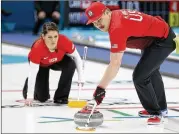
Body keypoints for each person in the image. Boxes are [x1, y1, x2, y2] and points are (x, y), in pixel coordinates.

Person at [85, 2, 177, 125]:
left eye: (99, 19)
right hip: (154, 38)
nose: (98, 24)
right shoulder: (116, 16)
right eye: (95, 22)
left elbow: (115, 64)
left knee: (140, 77)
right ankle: (162, 109)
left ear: (107, 12)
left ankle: (155, 113)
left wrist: (100, 90)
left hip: (162, 40)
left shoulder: (116, 27)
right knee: (151, 72)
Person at [23, 22, 84, 106]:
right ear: (43, 37)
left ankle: (61, 97)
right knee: (42, 98)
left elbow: (77, 57)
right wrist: (29, 96)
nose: (53, 40)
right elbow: (33, 73)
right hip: (41, 64)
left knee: (71, 64)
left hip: (57, 61)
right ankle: (27, 86)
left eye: (56, 36)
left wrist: (81, 77)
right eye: (49, 37)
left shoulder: (64, 41)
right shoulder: (37, 49)